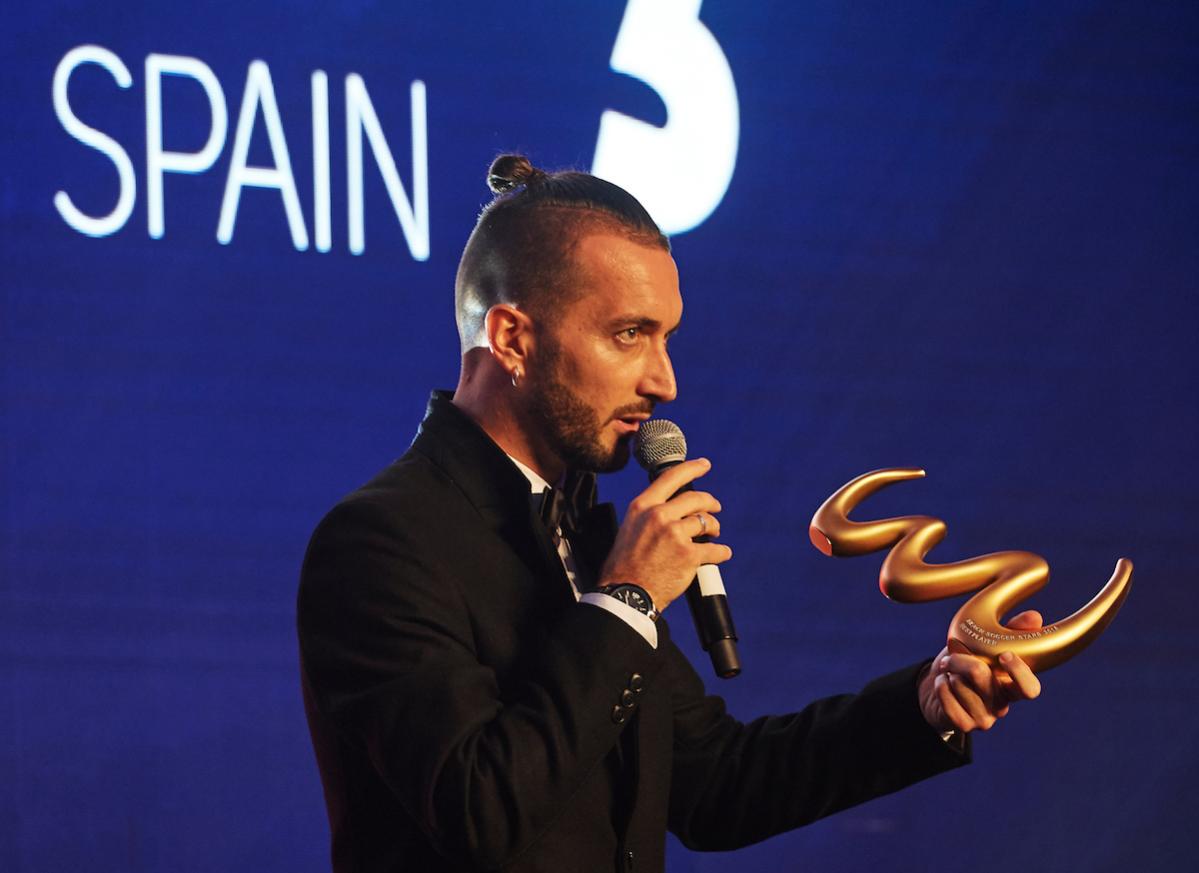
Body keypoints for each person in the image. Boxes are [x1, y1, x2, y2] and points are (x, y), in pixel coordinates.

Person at [297, 155, 1043, 873]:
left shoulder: (580, 534)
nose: (664, 381)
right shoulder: (381, 543)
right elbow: (479, 810)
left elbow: (716, 782)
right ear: (512, 339)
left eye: (666, 338)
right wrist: (626, 600)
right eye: (629, 334)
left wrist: (925, 704)